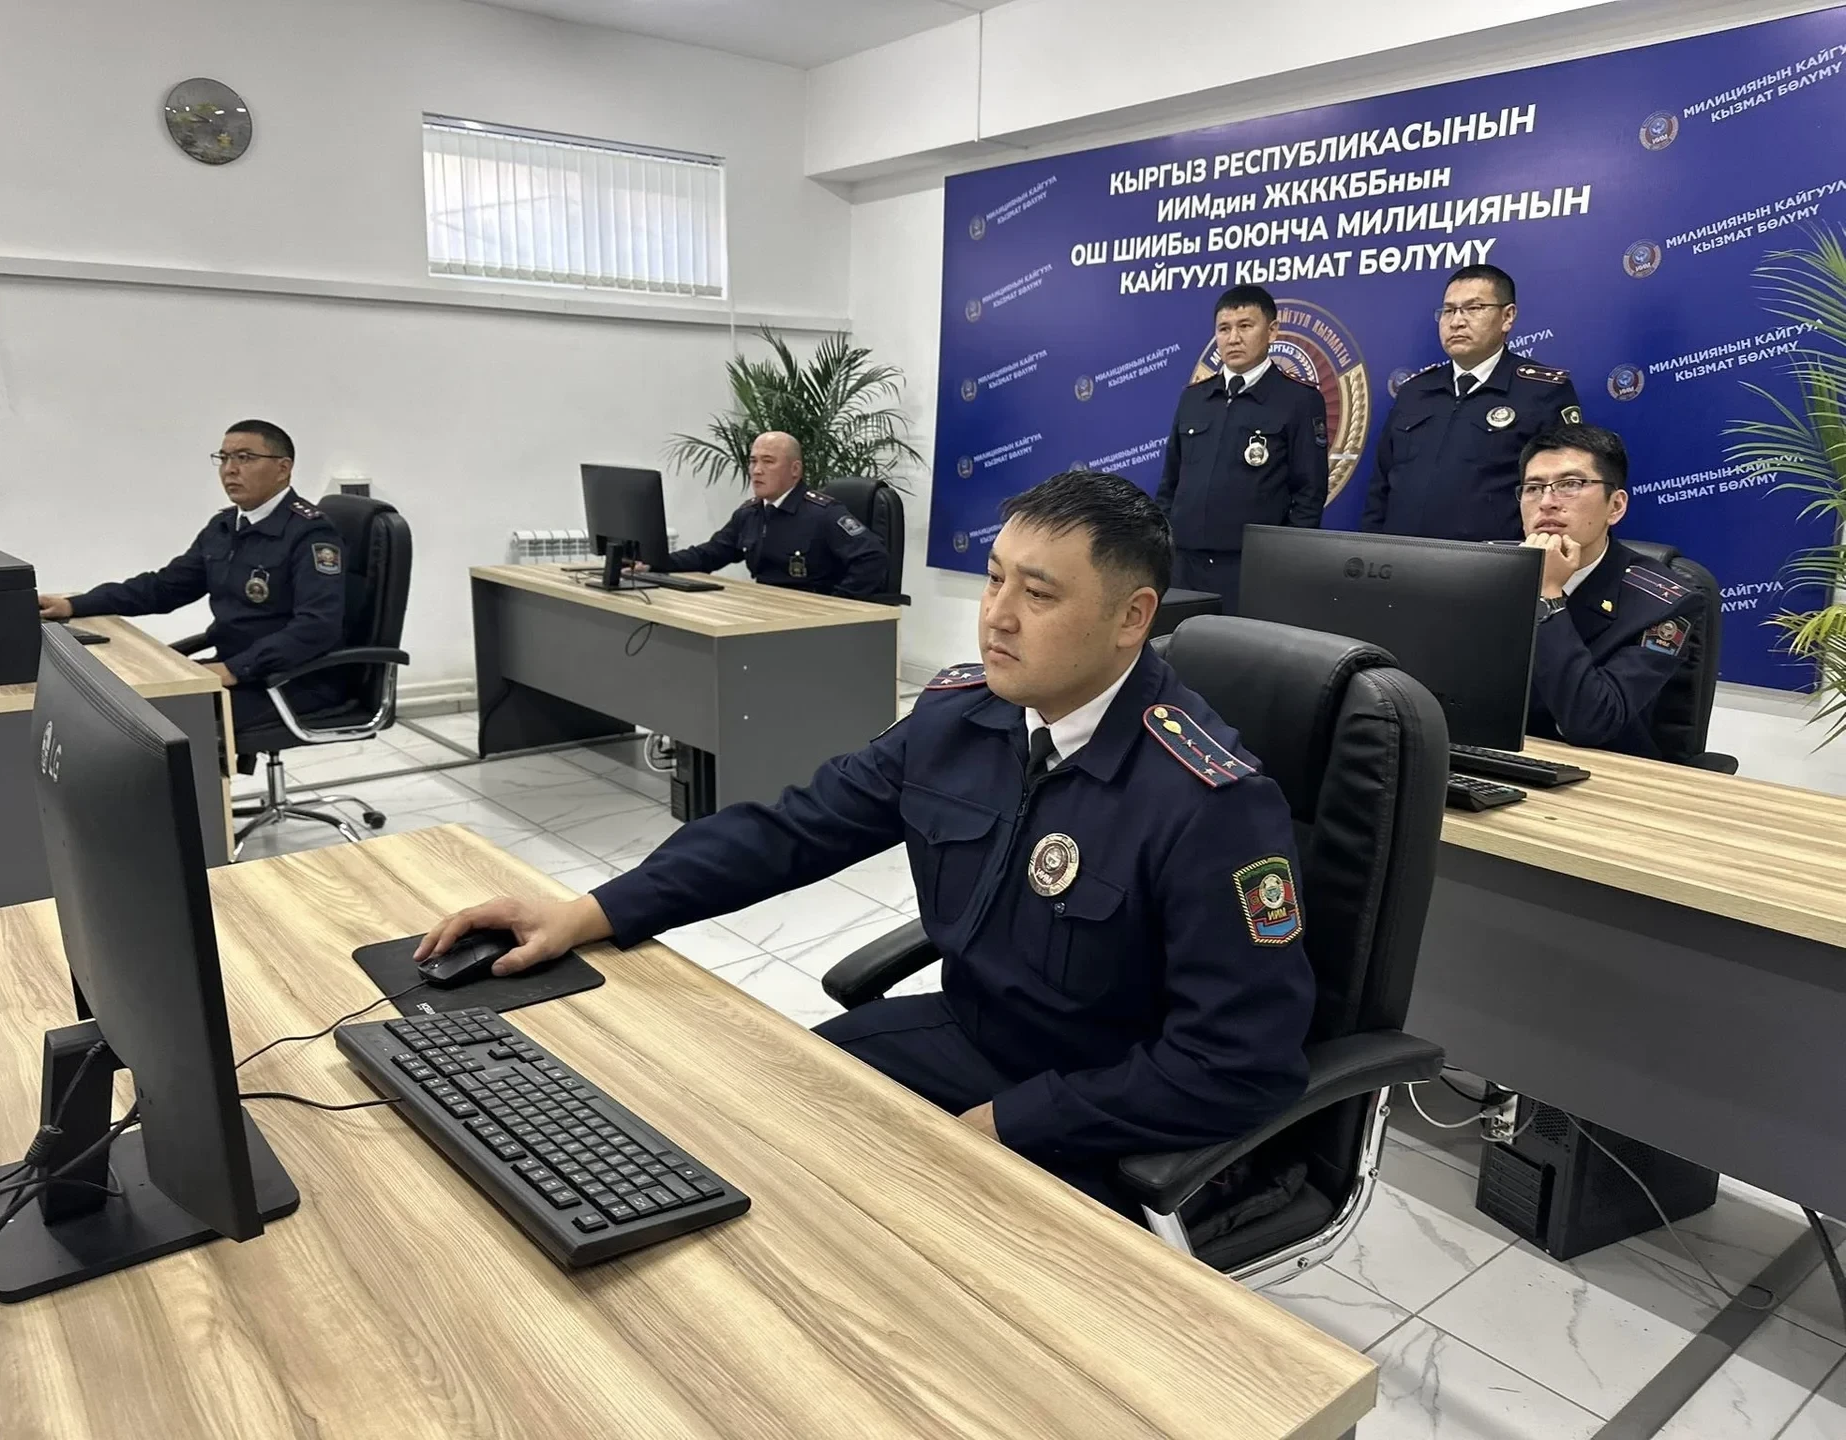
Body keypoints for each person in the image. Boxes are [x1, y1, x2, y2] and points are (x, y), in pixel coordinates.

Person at [420, 469, 1316, 1216]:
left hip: (1106, 1107)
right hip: (971, 1038)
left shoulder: (1209, 801)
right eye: (993, 580)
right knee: (746, 1137)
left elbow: (1240, 1067)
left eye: (1037, 594)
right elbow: (792, 829)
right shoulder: (961, 719)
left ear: (1131, 617)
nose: (996, 616)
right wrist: (588, 912)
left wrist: (1014, 1122)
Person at [37, 420, 348, 748]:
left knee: (156, 726)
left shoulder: (311, 534)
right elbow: (165, 588)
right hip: (237, 671)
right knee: (120, 704)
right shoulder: (225, 526)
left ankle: (206, 783)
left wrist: (234, 669)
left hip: (294, 680)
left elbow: (317, 626)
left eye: (244, 457)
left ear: (283, 469)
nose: (230, 469)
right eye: (224, 458)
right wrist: (75, 605)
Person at [1517, 424, 1705, 761]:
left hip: (1606, 771)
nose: (1546, 502)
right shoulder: (1490, 574)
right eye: (1533, 488)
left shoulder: (1666, 603)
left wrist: (1547, 594)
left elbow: (1591, 722)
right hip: (1499, 759)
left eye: (1570, 485)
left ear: (1615, 506)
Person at [1361, 264, 1583, 542]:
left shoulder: (1543, 391)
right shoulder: (1415, 392)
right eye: (1449, 311)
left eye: (1473, 308)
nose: (1456, 322)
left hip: (1493, 560)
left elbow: (1562, 491)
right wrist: (1370, 549)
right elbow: (1380, 488)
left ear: (1507, 317)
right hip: (1400, 558)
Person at [1155, 285, 1328, 612]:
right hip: (1184, 565)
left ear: (1272, 331)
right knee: (1179, 642)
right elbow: (1170, 482)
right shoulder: (1194, 398)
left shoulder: (1298, 400)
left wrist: (1283, 561)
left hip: (1251, 568)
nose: (1233, 338)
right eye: (1224, 329)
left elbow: (1309, 492)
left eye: (1245, 326)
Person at [655, 431, 890, 599]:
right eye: (753, 461)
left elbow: (873, 557)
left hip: (812, 619)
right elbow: (709, 554)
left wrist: (838, 604)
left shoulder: (823, 514)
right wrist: (653, 563)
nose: (757, 470)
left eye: (768, 462)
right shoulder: (750, 514)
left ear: (795, 469)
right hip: (766, 609)